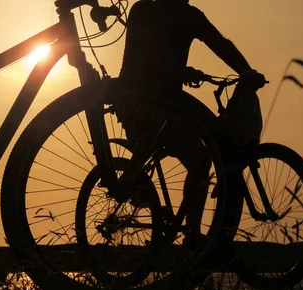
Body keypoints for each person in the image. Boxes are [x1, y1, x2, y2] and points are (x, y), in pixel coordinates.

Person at [114, 0, 266, 245]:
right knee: (199, 157)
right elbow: (152, 50)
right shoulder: (144, 10)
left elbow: (220, 44)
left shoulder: (190, 15)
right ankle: (191, 234)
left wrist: (246, 71)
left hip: (168, 106)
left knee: (199, 158)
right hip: (139, 102)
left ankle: (189, 233)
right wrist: (180, 71)